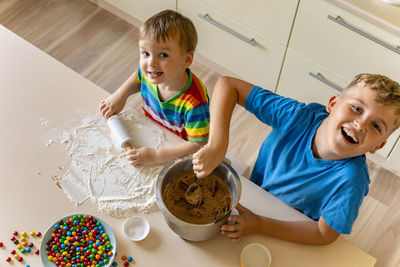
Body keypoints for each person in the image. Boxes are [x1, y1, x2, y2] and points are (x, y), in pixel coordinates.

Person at [192, 73, 400, 245]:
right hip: (255, 195)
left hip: (288, 228)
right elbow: (229, 85)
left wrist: (259, 225)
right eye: (356, 108)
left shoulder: (352, 181)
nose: (361, 125)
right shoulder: (297, 116)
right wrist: (217, 145)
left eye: (376, 126)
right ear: (333, 104)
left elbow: (323, 234)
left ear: (378, 146)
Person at [99, 10, 209, 167]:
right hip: (153, 133)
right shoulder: (153, 74)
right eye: (145, 53)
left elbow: (199, 144)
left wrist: (157, 156)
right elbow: (139, 76)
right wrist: (121, 94)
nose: (151, 63)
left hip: (177, 152)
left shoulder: (195, 103)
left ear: (187, 59)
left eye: (163, 55)